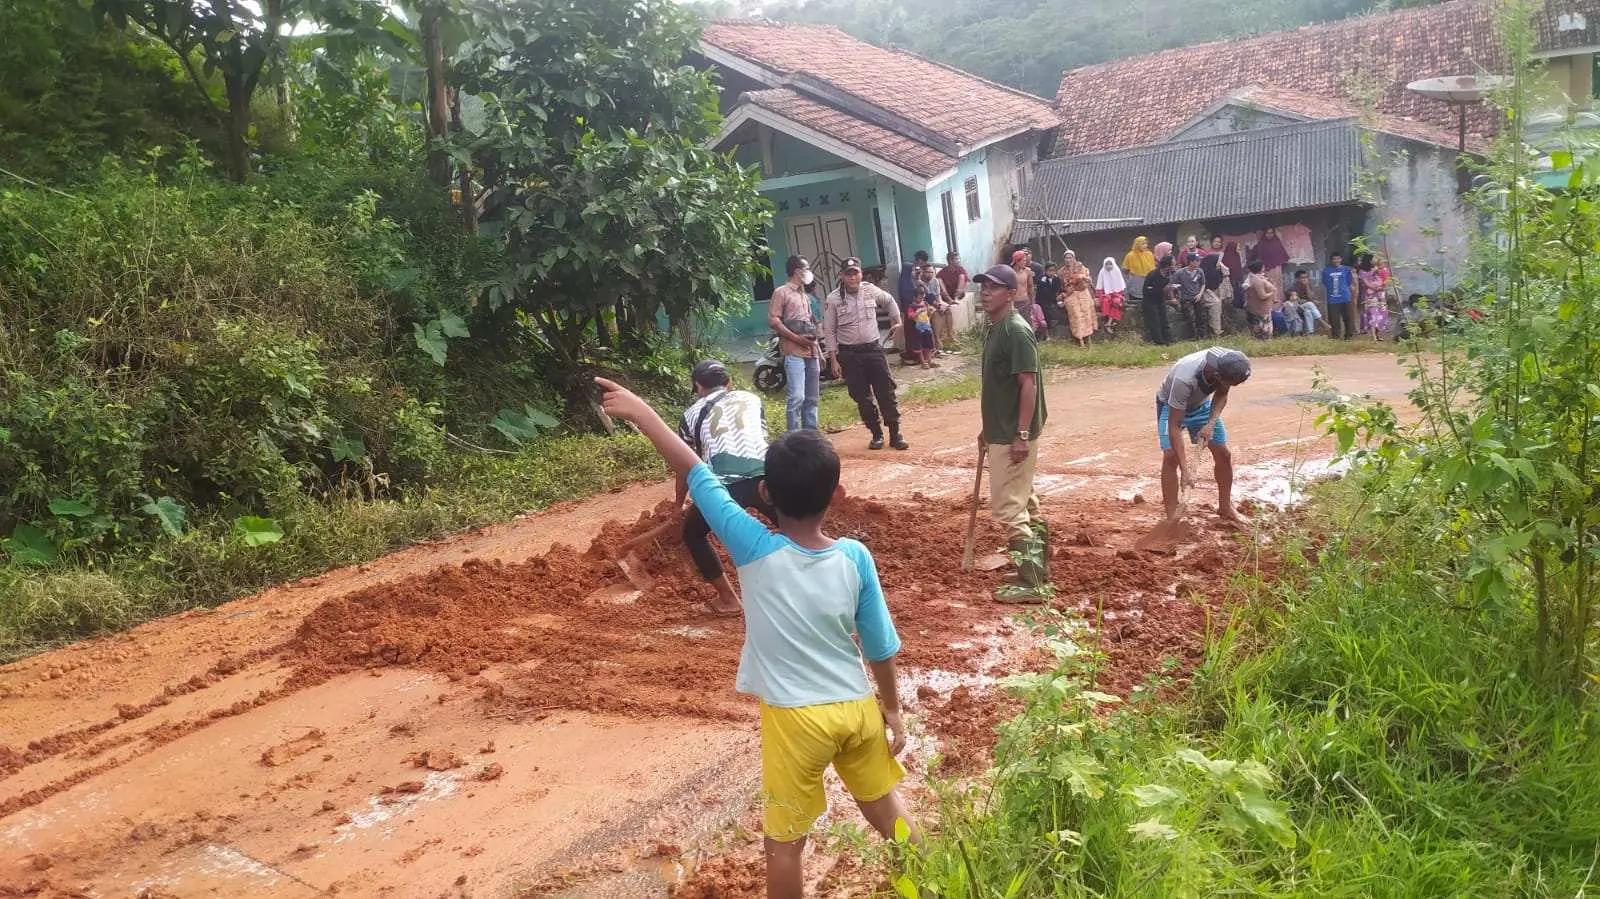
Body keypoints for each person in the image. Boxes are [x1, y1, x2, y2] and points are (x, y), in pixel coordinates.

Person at [593, 378, 919, 899]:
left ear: (765, 493)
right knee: (888, 812)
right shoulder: (856, 556)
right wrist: (893, 708)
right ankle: (929, 886)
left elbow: (697, 472)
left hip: (798, 719)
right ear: (834, 495)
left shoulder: (752, 545)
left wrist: (642, 413)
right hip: (856, 708)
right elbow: (879, 646)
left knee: (784, 843)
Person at [975, 264, 1051, 602]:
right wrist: (986, 428)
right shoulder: (996, 328)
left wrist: (1020, 434)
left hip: (1012, 434)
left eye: (993, 287)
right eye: (983, 286)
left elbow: (1028, 384)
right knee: (1026, 498)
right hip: (1001, 429)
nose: (986, 292)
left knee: (1008, 507)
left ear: (1011, 293)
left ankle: (1033, 581)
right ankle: (1038, 562)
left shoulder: (1016, 331)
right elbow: (999, 388)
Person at [677, 361, 778, 614]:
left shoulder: (690, 415)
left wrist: (678, 505)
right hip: (766, 477)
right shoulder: (751, 398)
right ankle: (820, 574)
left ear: (698, 387)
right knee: (792, 526)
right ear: (729, 382)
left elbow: (685, 466)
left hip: (724, 484)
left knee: (692, 532)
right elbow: (761, 437)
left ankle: (728, 600)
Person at [1155, 347, 1253, 527]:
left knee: (1224, 454)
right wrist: (1185, 469)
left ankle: (1225, 507)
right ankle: (1171, 517)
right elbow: (1174, 425)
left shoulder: (1230, 363)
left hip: (1201, 404)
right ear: (1216, 373)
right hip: (1171, 405)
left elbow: (1222, 393)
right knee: (1170, 455)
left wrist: (1211, 423)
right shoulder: (1184, 379)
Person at [823, 257, 907, 451]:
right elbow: (829, 331)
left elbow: (889, 300)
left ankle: (895, 433)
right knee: (862, 397)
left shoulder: (870, 290)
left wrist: (897, 321)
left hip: (873, 350)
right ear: (842, 276)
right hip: (850, 354)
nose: (852, 278)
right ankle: (876, 434)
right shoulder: (833, 299)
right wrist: (834, 360)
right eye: (848, 274)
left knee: (886, 392)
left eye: (856, 273)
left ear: (861, 274)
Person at [768, 255, 821, 432]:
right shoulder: (781, 292)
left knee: (812, 397)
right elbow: (774, 320)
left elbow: (810, 324)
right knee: (797, 397)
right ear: (797, 272)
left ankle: (811, 434)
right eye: (806, 268)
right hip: (793, 351)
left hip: (811, 350)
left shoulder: (805, 295)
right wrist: (796, 338)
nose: (808, 272)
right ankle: (793, 436)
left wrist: (819, 351)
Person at [1059, 251, 1096, 346]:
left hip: (1083, 293)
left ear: (1074, 258)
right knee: (1076, 315)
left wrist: (1080, 278)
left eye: (1070, 257)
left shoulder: (1081, 267)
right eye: (1066, 258)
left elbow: (1088, 280)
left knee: (1087, 314)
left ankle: (1089, 339)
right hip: (1070, 294)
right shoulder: (1061, 272)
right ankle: (1080, 340)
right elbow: (1062, 286)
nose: (1068, 260)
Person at [1141, 255, 1177, 346]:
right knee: (1155, 322)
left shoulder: (1169, 274)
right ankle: (1159, 342)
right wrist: (1163, 289)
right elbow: (1146, 290)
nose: (1175, 264)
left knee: (1164, 321)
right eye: (1173, 262)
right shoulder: (1153, 274)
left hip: (1160, 300)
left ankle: (1169, 340)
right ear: (1168, 265)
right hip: (1150, 301)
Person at [1321, 252, 1357, 340]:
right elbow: (1325, 282)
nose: (1336, 260)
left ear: (1341, 259)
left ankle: (1349, 335)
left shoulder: (1346, 269)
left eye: (1338, 258)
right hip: (1332, 299)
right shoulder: (1326, 271)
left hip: (1345, 297)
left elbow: (1349, 282)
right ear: (1331, 260)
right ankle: (1335, 336)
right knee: (1334, 319)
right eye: (1334, 259)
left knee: (1348, 318)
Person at [1358, 253, 1392, 340]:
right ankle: (1373, 336)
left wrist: (1383, 286)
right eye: (1374, 259)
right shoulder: (1363, 271)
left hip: (1380, 295)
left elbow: (1385, 279)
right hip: (1370, 296)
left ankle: (1378, 334)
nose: (1375, 260)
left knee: (1380, 314)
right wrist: (1376, 288)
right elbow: (1366, 284)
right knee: (1372, 314)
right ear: (1369, 260)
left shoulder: (1379, 270)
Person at [1196, 246, 1228, 338]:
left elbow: (1218, 281)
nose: (1219, 264)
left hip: (1210, 291)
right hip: (1202, 292)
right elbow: (1206, 284)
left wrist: (1218, 270)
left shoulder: (1214, 270)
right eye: (1217, 262)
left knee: (1219, 303)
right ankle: (1216, 331)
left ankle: (1216, 329)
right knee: (1216, 303)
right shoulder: (1204, 271)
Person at [904, 284, 938, 369]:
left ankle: (929, 360)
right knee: (920, 346)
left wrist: (930, 312)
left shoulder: (925, 304)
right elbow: (910, 316)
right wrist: (918, 311)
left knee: (928, 344)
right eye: (919, 298)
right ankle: (923, 362)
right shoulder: (912, 306)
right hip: (918, 329)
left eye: (922, 298)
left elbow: (928, 315)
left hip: (926, 327)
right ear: (914, 297)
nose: (921, 299)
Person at [1173, 253, 1206, 339]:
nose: (1199, 262)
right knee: (1190, 318)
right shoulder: (1180, 273)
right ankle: (1193, 336)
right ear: (1191, 262)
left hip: (1197, 297)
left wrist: (1200, 294)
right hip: (1186, 298)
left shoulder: (1200, 271)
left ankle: (1202, 335)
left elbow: (1203, 284)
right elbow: (1174, 285)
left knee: (1200, 317)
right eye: (1197, 261)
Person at [1242, 260, 1276, 340]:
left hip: (1261, 309)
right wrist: (1272, 292)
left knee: (1260, 331)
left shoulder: (1255, 278)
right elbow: (1262, 296)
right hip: (1261, 310)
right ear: (1260, 268)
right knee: (1263, 332)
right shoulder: (1257, 281)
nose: (1264, 268)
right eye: (1263, 266)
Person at [1123, 236, 1157, 307]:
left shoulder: (1149, 254)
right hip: (1136, 281)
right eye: (1143, 244)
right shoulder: (1130, 256)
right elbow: (1125, 269)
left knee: (1149, 300)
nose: (1145, 246)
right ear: (1137, 244)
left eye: (1146, 244)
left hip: (1148, 280)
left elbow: (1153, 268)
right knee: (1136, 302)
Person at [1096, 257, 1126, 336]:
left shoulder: (1117, 271)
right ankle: (1109, 322)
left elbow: (1120, 288)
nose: (1108, 266)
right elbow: (1100, 287)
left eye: (1110, 264)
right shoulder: (1102, 272)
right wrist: (1105, 295)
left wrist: (1115, 294)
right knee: (1106, 301)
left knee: (1116, 302)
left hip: (1117, 294)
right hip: (1105, 294)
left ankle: (1109, 323)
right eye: (1107, 265)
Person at [1035, 262, 1063, 332]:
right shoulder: (1042, 279)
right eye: (1049, 270)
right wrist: (1056, 300)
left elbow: (1058, 290)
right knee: (1046, 308)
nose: (1051, 272)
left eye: (1053, 270)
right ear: (1046, 271)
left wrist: (1059, 300)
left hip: (1053, 299)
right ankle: (1047, 327)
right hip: (1042, 300)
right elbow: (1045, 293)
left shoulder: (1056, 279)